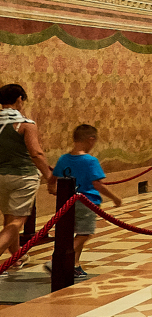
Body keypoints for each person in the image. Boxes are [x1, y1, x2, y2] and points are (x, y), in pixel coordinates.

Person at [47, 124, 121, 281]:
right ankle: (56, 262)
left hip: (66, 202)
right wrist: (115, 198)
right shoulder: (90, 161)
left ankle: (74, 264)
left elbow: (52, 178)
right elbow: (98, 184)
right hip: (86, 202)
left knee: (72, 234)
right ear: (90, 140)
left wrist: (51, 188)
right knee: (84, 233)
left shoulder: (64, 159)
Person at [0, 83, 52, 266]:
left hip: (1, 177)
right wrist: (49, 176)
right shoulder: (25, 124)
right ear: (19, 99)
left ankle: (16, 256)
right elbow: (36, 153)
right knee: (18, 221)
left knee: (8, 216)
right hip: (22, 176)